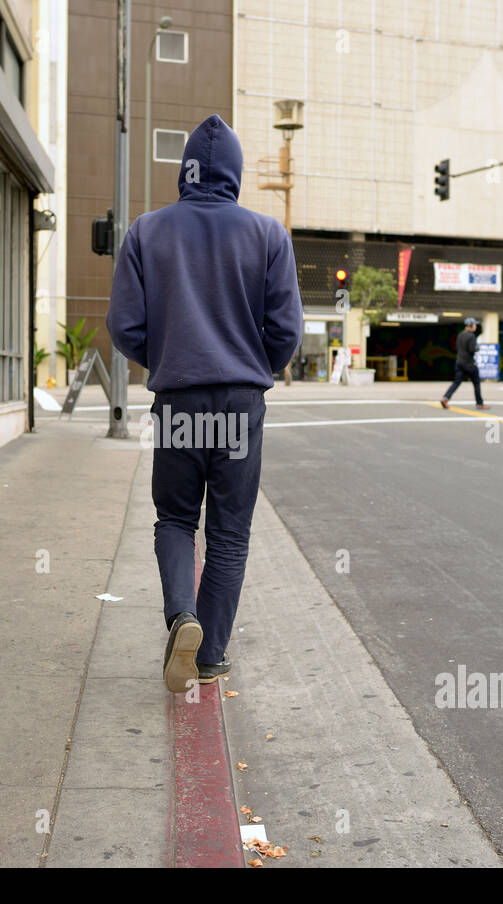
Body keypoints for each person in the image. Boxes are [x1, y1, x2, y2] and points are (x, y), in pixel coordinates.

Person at [106, 114, 303, 693]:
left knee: (174, 518)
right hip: (241, 403)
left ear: (184, 171)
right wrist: (253, 365)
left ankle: (181, 617)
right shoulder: (268, 235)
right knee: (230, 532)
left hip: (177, 400)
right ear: (236, 173)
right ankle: (210, 652)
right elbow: (286, 332)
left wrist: (167, 355)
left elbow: (124, 325)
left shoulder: (147, 231)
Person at [440, 318, 489, 410]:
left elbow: (457, 348)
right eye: (474, 325)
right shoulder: (471, 336)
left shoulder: (460, 335)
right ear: (470, 326)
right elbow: (471, 350)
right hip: (469, 363)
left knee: (457, 382)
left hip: (459, 362)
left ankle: (445, 398)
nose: (475, 326)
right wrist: (477, 348)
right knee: (476, 382)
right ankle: (479, 403)